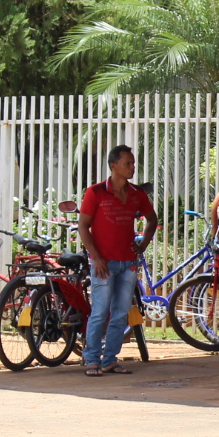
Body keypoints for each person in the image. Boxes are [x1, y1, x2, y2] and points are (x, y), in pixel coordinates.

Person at [78, 145, 159, 377]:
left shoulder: (137, 193)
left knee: (121, 313)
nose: (132, 167)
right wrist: (96, 257)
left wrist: (142, 245)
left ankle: (110, 359)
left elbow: (152, 219)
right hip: (104, 263)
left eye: (133, 163)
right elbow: (83, 226)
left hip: (128, 262)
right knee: (100, 312)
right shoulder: (96, 192)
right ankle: (92, 359)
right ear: (113, 166)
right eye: (127, 164)